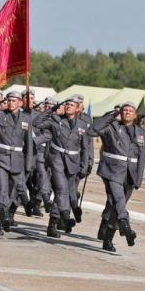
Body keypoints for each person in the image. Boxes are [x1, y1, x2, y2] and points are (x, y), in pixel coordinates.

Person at [88, 101, 145, 252]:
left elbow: (142, 156)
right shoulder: (111, 126)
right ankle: (125, 224)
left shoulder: (140, 132)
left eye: (129, 111)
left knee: (117, 206)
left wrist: (138, 179)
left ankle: (108, 238)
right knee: (118, 200)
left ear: (135, 115)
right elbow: (92, 130)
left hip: (130, 174)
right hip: (112, 171)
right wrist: (113, 114)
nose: (126, 112)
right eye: (124, 110)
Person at [32, 96, 89, 238]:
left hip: (73, 162)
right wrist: (52, 109)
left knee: (63, 193)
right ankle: (65, 215)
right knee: (61, 188)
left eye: (72, 105)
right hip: (56, 159)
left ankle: (52, 224)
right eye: (67, 104)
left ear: (77, 108)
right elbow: (37, 123)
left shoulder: (83, 125)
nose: (68, 106)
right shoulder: (56, 120)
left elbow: (85, 148)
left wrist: (85, 165)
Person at [0, 91, 33, 236]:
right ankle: (1, 222)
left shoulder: (26, 119)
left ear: (20, 103)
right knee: (2, 190)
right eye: (8, 100)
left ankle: (0, 221)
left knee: (12, 193)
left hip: (17, 160)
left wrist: (28, 165)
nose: (10, 103)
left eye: (14, 101)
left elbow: (29, 144)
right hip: (1, 158)